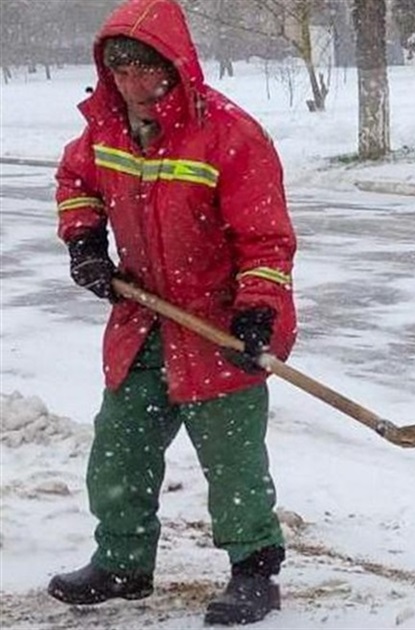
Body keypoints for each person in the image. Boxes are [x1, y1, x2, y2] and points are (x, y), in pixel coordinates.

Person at [50, 0, 297, 623]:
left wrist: (257, 312)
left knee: (232, 460)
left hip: (218, 324)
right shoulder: (104, 128)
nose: (133, 83)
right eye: (120, 70)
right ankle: (123, 563)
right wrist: (85, 241)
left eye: (144, 69)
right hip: (143, 319)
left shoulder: (230, 134)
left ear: (175, 66)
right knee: (118, 450)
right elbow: (75, 179)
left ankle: (254, 571)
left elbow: (265, 238)